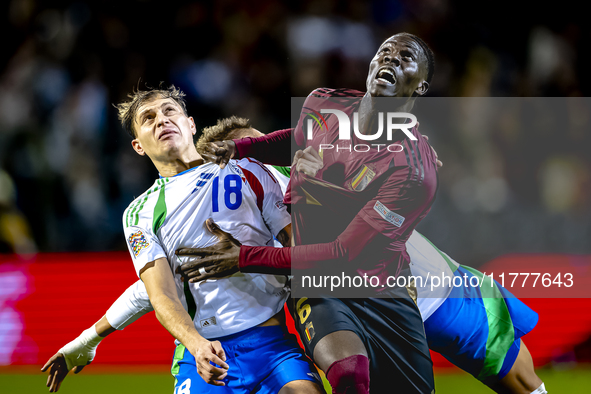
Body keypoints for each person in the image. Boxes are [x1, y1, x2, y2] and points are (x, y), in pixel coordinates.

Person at [190, 32, 439, 394]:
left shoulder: (413, 170)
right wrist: (240, 146)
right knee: (350, 374)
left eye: (405, 58)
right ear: (371, 64)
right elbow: (300, 136)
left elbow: (344, 253)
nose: (391, 59)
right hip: (317, 281)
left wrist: (243, 258)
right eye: (385, 51)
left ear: (420, 87)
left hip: (380, 288)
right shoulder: (324, 103)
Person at [42, 87, 324, 394]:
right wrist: (196, 345)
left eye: (168, 111)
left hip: (272, 347)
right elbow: (157, 292)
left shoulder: (247, 170)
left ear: (191, 124)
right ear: (138, 146)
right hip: (203, 354)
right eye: (148, 118)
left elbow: (300, 253)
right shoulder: (140, 213)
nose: (161, 120)